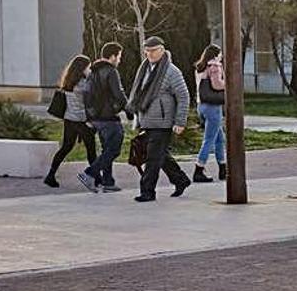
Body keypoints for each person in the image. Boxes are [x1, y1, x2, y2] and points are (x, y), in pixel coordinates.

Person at [126, 36, 191, 203]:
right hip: (147, 121)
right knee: (160, 156)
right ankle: (181, 180)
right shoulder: (144, 69)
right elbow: (140, 95)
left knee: (153, 158)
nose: (149, 54)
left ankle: (147, 192)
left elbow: (183, 96)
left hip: (163, 123)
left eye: (153, 50)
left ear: (162, 50)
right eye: (147, 51)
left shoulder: (171, 71)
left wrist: (180, 121)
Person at [80, 42, 128, 193]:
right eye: (119, 57)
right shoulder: (111, 71)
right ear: (113, 56)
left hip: (96, 119)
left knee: (107, 149)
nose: (119, 60)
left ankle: (108, 181)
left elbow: (86, 94)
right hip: (108, 117)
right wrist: (129, 110)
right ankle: (89, 173)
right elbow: (118, 94)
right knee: (114, 150)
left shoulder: (93, 72)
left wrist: (90, 116)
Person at [44, 55, 97, 189]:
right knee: (91, 150)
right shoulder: (83, 84)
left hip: (69, 120)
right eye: (88, 67)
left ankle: (50, 175)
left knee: (66, 148)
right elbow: (92, 99)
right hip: (82, 121)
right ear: (82, 68)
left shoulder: (68, 82)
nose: (89, 70)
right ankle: (97, 178)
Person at [192, 44, 226, 183]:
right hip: (213, 106)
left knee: (219, 138)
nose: (221, 56)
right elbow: (217, 85)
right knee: (209, 139)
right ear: (215, 54)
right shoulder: (214, 66)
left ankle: (223, 167)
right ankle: (199, 169)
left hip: (202, 105)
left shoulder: (200, 67)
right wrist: (229, 82)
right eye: (220, 54)